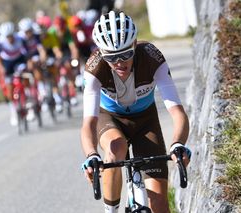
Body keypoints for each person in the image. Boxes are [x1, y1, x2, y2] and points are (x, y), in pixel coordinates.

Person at [80, 11, 191, 213]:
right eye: (111, 57)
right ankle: (110, 210)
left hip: (145, 120)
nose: (119, 62)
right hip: (110, 118)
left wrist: (178, 144)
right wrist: (91, 155)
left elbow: (177, 112)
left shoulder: (151, 58)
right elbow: (89, 123)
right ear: (101, 52)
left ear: (135, 44)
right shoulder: (94, 68)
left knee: (159, 204)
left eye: (125, 54)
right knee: (116, 148)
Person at [0, 21, 27, 126]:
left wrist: (28, 63)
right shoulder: (0, 42)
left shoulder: (20, 38)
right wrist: (1, 69)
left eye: (11, 36)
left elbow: (27, 53)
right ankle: (13, 111)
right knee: (9, 88)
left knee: (26, 77)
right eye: (7, 37)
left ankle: (29, 100)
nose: (10, 39)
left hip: (19, 60)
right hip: (7, 63)